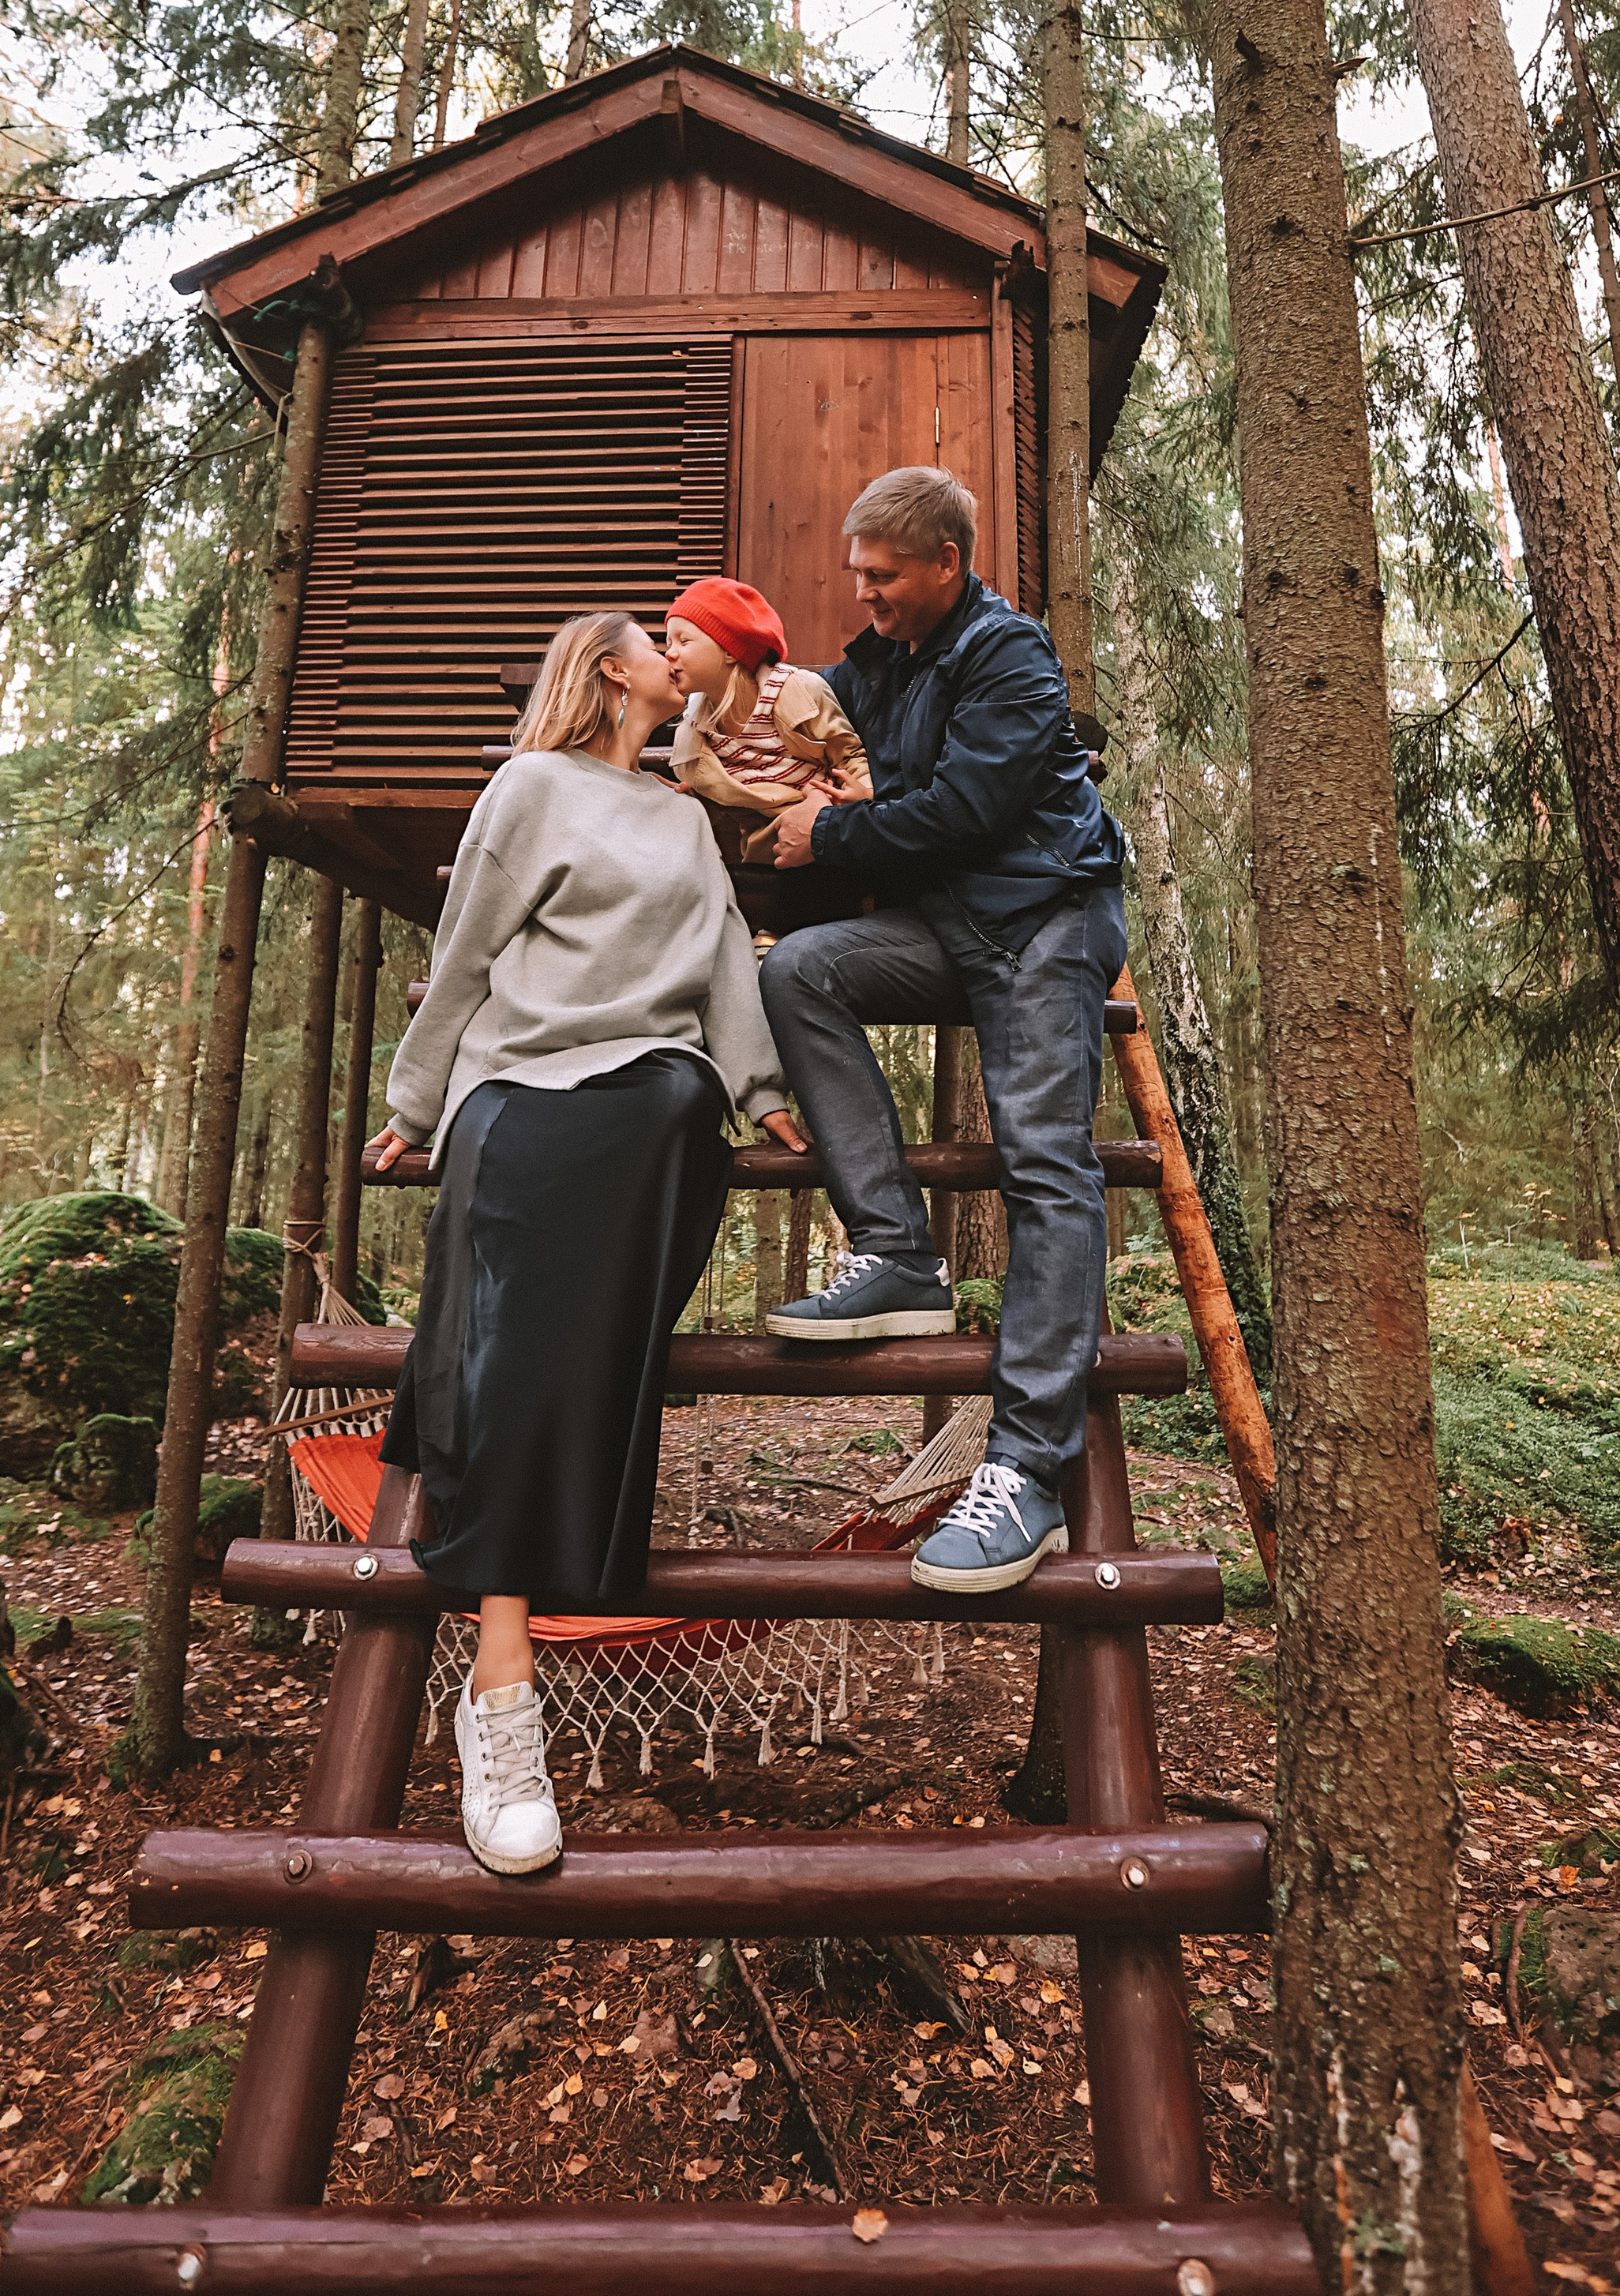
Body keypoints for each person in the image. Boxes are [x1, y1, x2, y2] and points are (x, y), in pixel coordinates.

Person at [363, 610, 804, 1874]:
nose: (685, 654)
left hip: (650, 1092)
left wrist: (761, 1091)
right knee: (541, 1316)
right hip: (521, 1089)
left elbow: (725, 961)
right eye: (659, 642)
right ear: (614, 671)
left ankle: (510, 1607)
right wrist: (413, 1106)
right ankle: (503, 1693)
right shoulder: (531, 787)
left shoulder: (686, 817)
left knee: (678, 1107)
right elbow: (466, 958)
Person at [760, 467, 1127, 1595]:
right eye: (856, 577)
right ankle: (896, 1254)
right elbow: (806, 694)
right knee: (803, 973)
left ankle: (1025, 1473)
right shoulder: (889, 656)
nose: (862, 597)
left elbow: (966, 812)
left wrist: (825, 840)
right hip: (956, 926)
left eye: (881, 579)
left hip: (1042, 923)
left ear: (945, 567)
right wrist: (730, 686)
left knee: (1045, 1167)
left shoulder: (1007, 656)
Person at [662, 573, 872, 863]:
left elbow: (848, 755)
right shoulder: (696, 726)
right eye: (667, 641)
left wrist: (864, 798)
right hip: (758, 849)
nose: (669, 653)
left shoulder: (793, 692)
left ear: (729, 650)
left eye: (684, 641)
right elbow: (716, 793)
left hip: (822, 831)